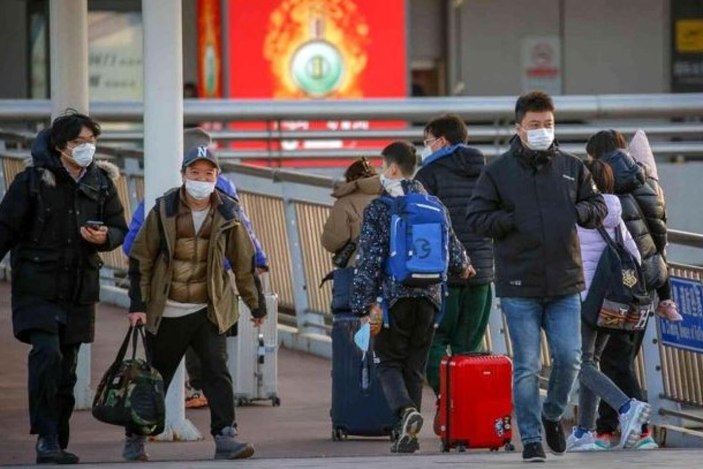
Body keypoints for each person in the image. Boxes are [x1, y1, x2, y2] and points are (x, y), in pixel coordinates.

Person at [466, 91, 607, 462]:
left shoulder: (573, 167)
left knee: (570, 358)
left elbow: (596, 205)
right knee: (526, 367)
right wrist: (510, 221)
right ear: (519, 128)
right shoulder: (497, 171)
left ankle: (551, 414)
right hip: (518, 285)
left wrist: (579, 213)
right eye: (534, 125)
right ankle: (530, 439)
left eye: (548, 124)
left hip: (564, 282)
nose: (542, 131)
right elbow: (477, 217)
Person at [0, 110, 128, 464]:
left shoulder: (101, 182)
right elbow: (5, 228)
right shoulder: (32, 181)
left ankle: (58, 437)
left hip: (78, 288)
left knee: (67, 369)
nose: (86, 148)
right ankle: (45, 436)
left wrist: (105, 237)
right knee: (47, 355)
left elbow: (119, 228)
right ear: (60, 146)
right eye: (78, 142)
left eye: (91, 142)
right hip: (36, 286)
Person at [125, 144, 266, 461]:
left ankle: (226, 436)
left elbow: (243, 262)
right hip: (167, 310)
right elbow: (141, 259)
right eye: (195, 172)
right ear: (184, 175)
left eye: (208, 173)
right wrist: (138, 305)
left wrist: (256, 306)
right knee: (155, 377)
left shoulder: (228, 212)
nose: (202, 179)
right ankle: (135, 437)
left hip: (209, 308)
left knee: (217, 372)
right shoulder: (164, 209)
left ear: (217, 176)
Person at [351, 141, 471, 454]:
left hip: (394, 298)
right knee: (414, 367)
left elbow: (369, 259)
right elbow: (455, 252)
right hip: (431, 298)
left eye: (381, 167)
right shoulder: (434, 204)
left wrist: (364, 304)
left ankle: (405, 413)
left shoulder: (379, 208)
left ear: (392, 168)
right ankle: (407, 437)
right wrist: (466, 268)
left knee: (388, 362)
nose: (379, 172)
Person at [586, 129, 679, 450]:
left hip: (616, 286)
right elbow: (660, 242)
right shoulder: (649, 183)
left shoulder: (605, 186)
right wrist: (664, 292)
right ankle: (607, 429)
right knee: (620, 358)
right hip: (646, 284)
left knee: (614, 361)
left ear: (596, 157)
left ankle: (638, 429)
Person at [567, 159, 651, 452]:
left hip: (583, 298)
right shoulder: (616, 214)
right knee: (592, 361)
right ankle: (583, 432)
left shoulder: (578, 215)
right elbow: (636, 259)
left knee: (579, 363)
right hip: (613, 303)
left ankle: (626, 407)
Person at [414, 115, 489, 412]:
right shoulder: (485, 171)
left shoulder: (427, 175)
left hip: (441, 273)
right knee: (470, 345)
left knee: (433, 340)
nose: (426, 147)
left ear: (441, 141)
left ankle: (449, 401)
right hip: (481, 271)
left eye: (427, 140)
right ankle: (471, 412)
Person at [321, 156, 382, 267]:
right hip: (390, 266)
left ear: (350, 179)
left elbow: (332, 242)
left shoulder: (344, 203)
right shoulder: (392, 195)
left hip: (358, 266)